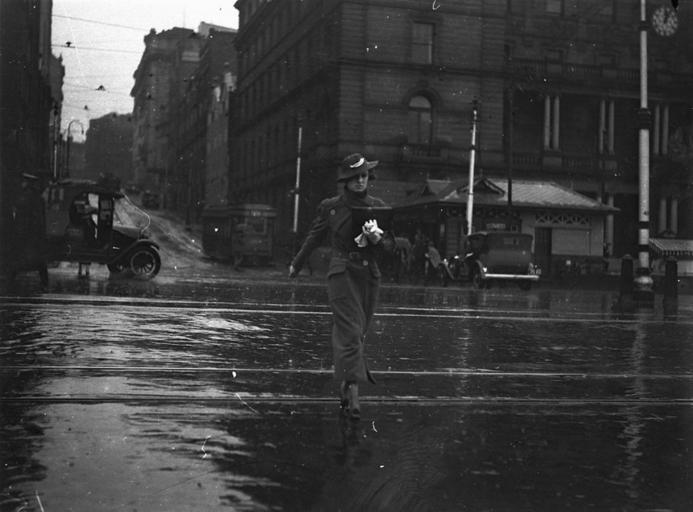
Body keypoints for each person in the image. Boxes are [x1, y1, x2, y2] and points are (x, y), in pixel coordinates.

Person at [288, 153, 390, 420]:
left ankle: (346, 380)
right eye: (354, 177)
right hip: (342, 272)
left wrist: (378, 239)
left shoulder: (378, 207)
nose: (360, 181)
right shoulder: (331, 207)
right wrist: (297, 264)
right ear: (345, 180)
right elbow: (314, 237)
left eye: (363, 176)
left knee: (358, 332)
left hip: (369, 276)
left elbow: (389, 247)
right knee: (351, 331)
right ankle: (353, 392)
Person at [11, 173, 49, 287]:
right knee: (38, 259)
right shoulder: (38, 197)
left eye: (23, 181)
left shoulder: (25, 196)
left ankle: (11, 279)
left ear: (27, 183)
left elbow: (20, 213)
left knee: (19, 257)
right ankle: (44, 281)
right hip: (36, 233)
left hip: (26, 232)